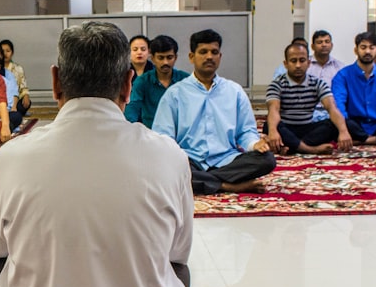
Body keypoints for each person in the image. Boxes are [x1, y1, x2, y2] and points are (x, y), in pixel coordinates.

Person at [0, 20, 195, 287]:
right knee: (174, 267)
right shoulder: (168, 157)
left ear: (57, 82)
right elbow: (178, 259)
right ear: (128, 84)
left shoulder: (9, 160)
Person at [154, 29, 276, 194]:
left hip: (227, 160)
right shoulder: (175, 94)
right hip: (190, 159)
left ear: (220, 56)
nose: (209, 57)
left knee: (267, 159)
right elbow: (164, 138)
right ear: (192, 57)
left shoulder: (235, 91)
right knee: (164, 165)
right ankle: (227, 186)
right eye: (203, 52)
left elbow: (246, 132)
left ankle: (201, 181)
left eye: (214, 52)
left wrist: (255, 144)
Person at [266, 42, 353, 155]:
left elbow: (332, 108)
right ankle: (310, 149)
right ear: (285, 64)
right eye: (293, 61)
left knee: (337, 124)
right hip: (286, 128)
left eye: (302, 60)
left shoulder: (318, 83)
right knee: (269, 126)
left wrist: (343, 131)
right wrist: (273, 132)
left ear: (308, 63)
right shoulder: (276, 84)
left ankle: (292, 147)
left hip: (308, 129)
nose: (298, 65)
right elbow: (273, 110)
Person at [331, 31, 376, 145]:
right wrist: (343, 127)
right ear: (356, 50)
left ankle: (364, 141)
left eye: (371, 48)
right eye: (363, 47)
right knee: (335, 121)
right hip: (354, 125)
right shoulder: (343, 75)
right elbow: (338, 104)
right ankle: (375, 140)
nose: (367, 51)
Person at [125, 34, 189, 128]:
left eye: (169, 57)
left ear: (176, 57)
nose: (165, 62)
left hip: (180, 135)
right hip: (152, 135)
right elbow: (133, 108)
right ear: (153, 58)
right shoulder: (142, 81)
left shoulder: (185, 80)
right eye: (161, 58)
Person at [0, 48, 22, 131]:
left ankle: (4, 128)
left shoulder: (5, 82)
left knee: (16, 116)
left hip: (0, 115)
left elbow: (9, 105)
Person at [0, 39, 30, 115]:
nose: (5, 54)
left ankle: (13, 111)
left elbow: (23, 86)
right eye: (3, 51)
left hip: (15, 99)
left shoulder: (18, 68)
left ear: (12, 53)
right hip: (0, 99)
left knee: (26, 103)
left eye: (8, 51)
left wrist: (26, 95)